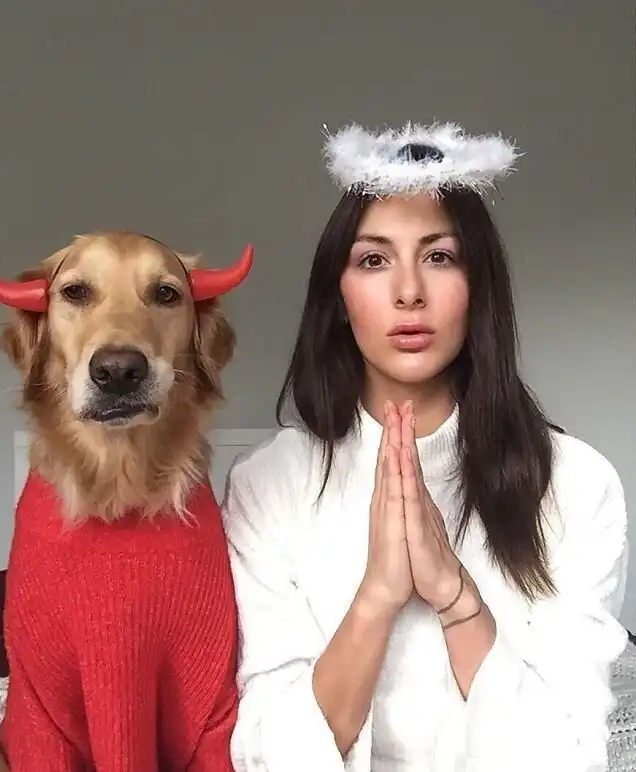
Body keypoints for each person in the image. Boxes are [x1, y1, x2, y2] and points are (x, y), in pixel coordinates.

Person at [221, 122, 630, 771]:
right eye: (373, 260)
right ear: (339, 297)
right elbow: (266, 753)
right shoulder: (266, 486)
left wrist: (456, 598)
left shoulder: (578, 485)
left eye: (440, 257)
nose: (408, 291)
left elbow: (570, 757)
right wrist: (377, 597)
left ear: (479, 287)